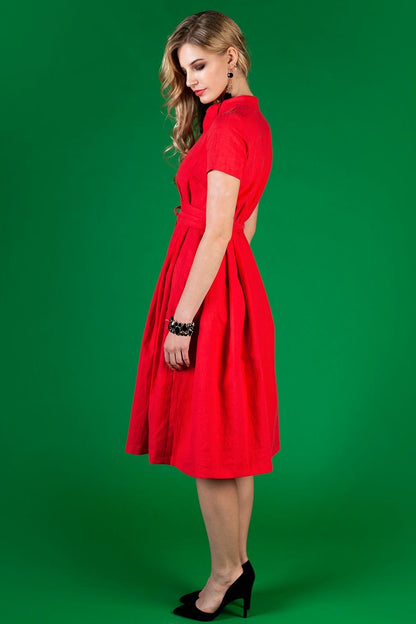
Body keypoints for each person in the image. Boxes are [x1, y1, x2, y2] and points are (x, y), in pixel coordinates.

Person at [125, 10, 280, 621]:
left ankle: (223, 576)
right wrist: (230, 288)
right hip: (233, 284)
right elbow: (248, 224)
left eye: (199, 65)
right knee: (231, 438)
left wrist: (184, 319)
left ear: (231, 57)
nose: (191, 81)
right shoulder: (251, 121)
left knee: (211, 445)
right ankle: (237, 566)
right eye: (184, 71)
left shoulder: (223, 131)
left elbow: (218, 231)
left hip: (206, 289)